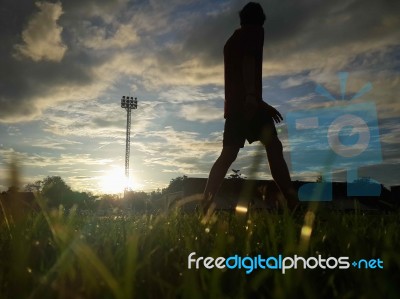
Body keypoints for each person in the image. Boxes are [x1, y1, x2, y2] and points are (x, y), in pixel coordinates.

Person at [202, 2, 298, 216]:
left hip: (237, 106)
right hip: (248, 104)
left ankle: (205, 203)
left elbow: (239, 73)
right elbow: (248, 62)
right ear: (260, 20)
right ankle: (293, 205)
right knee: (274, 148)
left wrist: (258, 101)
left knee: (228, 154)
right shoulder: (254, 32)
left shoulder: (232, 40)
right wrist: (253, 98)